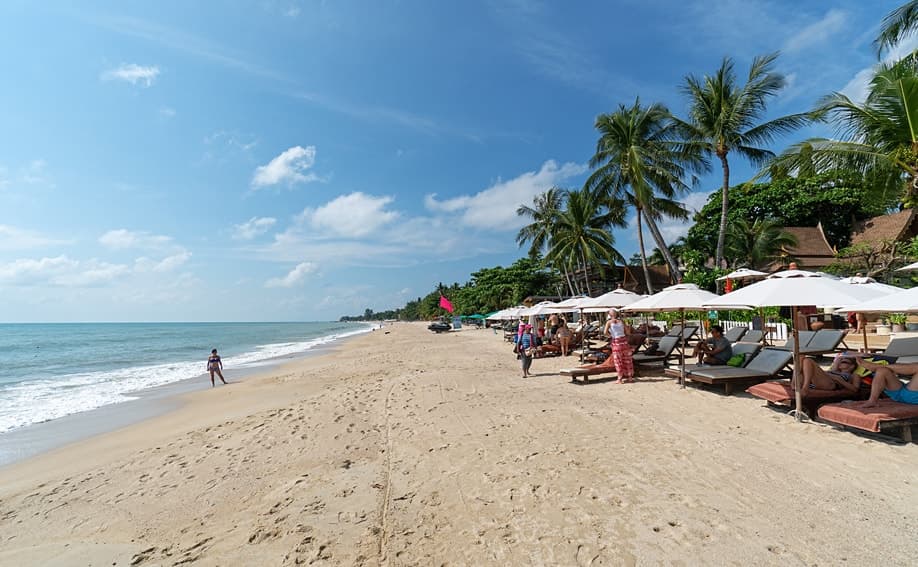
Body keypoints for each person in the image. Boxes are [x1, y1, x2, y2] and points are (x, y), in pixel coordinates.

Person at [799, 355, 865, 397]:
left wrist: (840, 380)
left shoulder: (854, 375)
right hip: (820, 381)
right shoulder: (835, 370)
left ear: (852, 366)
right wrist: (840, 358)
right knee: (801, 357)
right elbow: (838, 358)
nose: (840, 363)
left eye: (844, 362)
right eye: (840, 362)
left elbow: (855, 389)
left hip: (830, 384)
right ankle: (796, 384)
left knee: (808, 361)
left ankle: (805, 388)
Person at [604, 308, 635, 383]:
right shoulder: (621, 321)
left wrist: (611, 336)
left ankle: (620, 378)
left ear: (610, 315)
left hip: (616, 342)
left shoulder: (609, 322)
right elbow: (628, 332)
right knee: (627, 360)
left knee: (618, 361)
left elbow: (605, 332)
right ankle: (630, 377)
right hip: (624, 342)